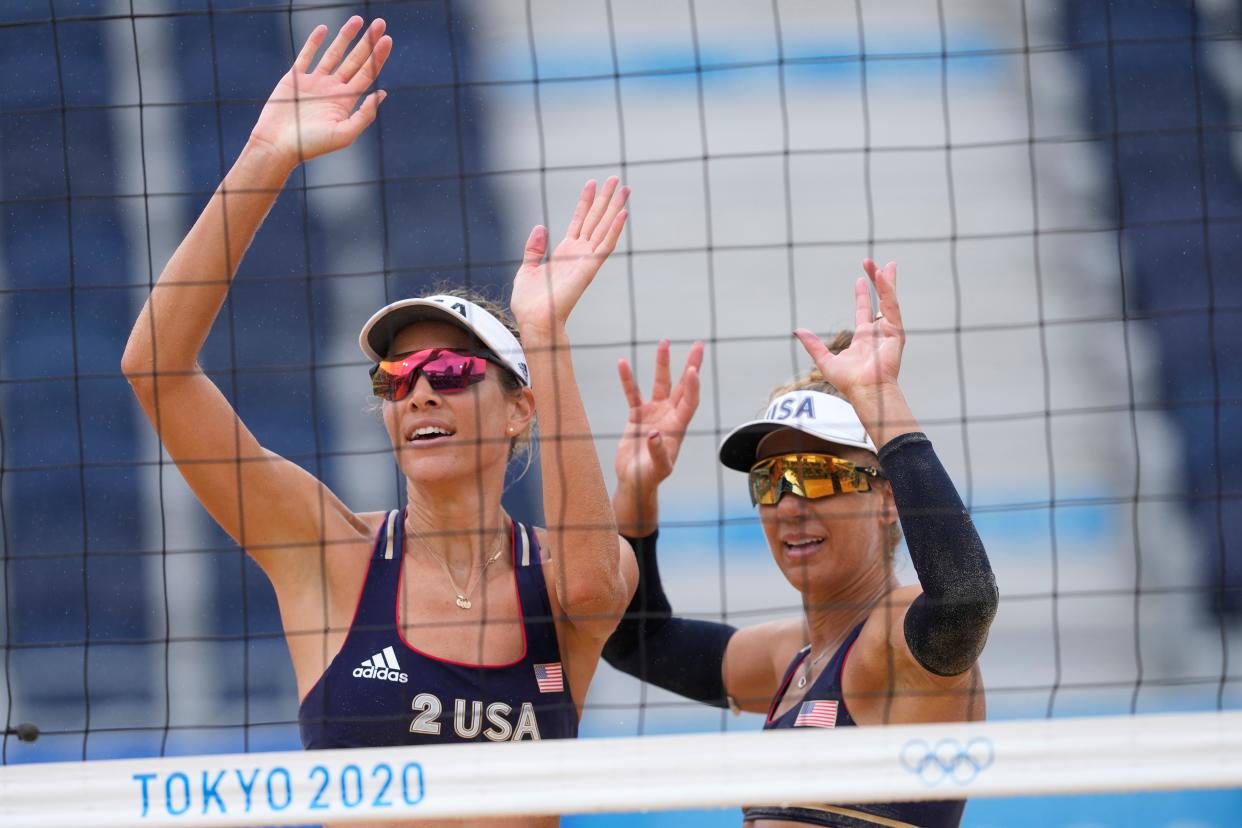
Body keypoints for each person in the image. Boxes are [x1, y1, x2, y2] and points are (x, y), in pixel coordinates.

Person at [121, 14, 636, 780]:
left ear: (519, 409)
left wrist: (543, 331)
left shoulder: (570, 570)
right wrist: (265, 159)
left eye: (453, 372)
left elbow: (592, 590)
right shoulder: (328, 552)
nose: (420, 390)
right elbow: (156, 369)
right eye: (397, 379)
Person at [605, 260, 999, 827]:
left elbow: (964, 600)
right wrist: (636, 492)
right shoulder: (791, 654)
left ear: (887, 498)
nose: (791, 504)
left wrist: (881, 401)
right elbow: (636, 641)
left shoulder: (890, 641)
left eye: (818, 473)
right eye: (771, 481)